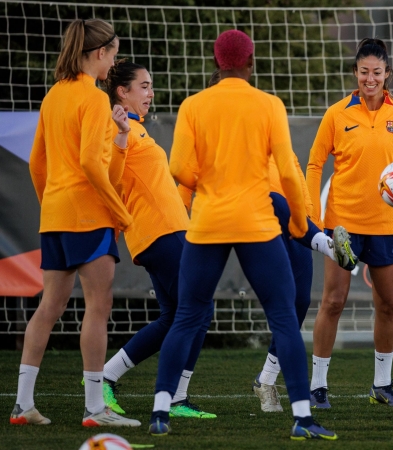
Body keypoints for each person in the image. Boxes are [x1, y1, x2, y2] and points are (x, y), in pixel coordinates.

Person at [148, 30, 336, 440]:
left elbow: (178, 167)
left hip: (208, 222)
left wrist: (209, 183)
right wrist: (301, 225)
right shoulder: (268, 104)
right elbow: (287, 170)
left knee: (185, 316)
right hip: (257, 223)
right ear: (251, 62)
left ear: (216, 63)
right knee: (284, 317)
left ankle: (161, 409)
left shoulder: (194, 105)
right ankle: (303, 418)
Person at [11, 18, 140, 428]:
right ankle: (94, 409)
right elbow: (88, 162)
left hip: (57, 215)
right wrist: (118, 212)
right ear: (99, 53)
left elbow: (37, 164)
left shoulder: (53, 95)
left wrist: (53, 201)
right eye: (113, 55)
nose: (113, 63)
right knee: (98, 309)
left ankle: (22, 405)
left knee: (48, 308)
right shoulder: (92, 97)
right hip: (89, 215)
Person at [87, 60, 215, 419]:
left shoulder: (136, 128)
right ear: (121, 92)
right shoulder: (118, 129)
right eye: (143, 86)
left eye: (151, 85)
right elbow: (109, 180)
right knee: (200, 309)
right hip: (160, 233)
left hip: (167, 232)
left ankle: (110, 377)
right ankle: (173, 398)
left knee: (175, 315)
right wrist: (121, 136)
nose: (150, 92)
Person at [306, 38, 393, 409]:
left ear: (387, 74)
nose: (371, 78)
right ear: (355, 73)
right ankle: (317, 386)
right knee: (333, 302)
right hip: (343, 224)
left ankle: (382, 386)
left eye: (377, 72)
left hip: (386, 225)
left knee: (389, 304)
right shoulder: (337, 114)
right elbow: (314, 163)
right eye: (364, 72)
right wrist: (315, 219)